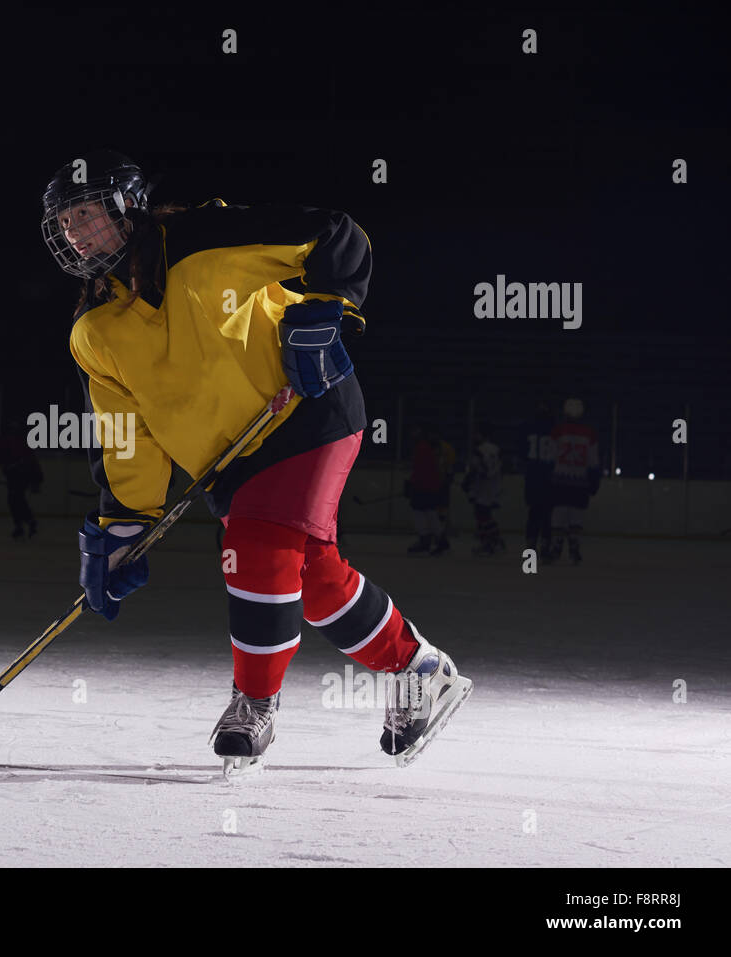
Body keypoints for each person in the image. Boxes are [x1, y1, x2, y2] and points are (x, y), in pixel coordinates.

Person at [42, 150, 472, 773]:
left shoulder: (202, 240)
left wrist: (325, 310)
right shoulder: (93, 331)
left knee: (260, 547)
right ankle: (422, 668)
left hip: (304, 409)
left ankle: (254, 704)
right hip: (232, 461)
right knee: (313, 579)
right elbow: (126, 436)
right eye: (65, 224)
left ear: (127, 207)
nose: (76, 233)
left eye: (86, 214)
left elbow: (334, 233)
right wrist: (122, 526)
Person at [544, 398, 600, 564]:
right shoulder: (590, 433)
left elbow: (550, 457)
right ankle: (574, 548)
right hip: (580, 480)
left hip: (560, 479)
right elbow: (593, 461)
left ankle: (556, 547)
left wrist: (547, 477)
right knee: (576, 515)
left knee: (559, 514)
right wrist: (594, 480)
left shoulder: (558, 431)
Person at [0, 422, 44, 539]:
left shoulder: (13, 442)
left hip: (21, 475)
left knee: (14, 498)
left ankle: (23, 524)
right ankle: (26, 523)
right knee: (16, 499)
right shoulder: (11, 442)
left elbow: (30, 461)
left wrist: (37, 480)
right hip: (15, 476)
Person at [461, 422, 505, 556]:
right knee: (484, 514)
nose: (474, 436)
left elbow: (476, 468)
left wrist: (466, 482)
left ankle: (492, 541)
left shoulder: (479, 450)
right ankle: (490, 541)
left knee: (481, 514)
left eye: (477, 434)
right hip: (494, 485)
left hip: (482, 486)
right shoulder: (496, 449)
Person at [403, 424, 445, 555]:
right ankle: (438, 541)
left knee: (421, 513)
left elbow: (420, 470)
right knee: (429, 513)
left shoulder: (422, 448)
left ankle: (427, 540)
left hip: (423, 487)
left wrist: (412, 483)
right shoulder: (427, 448)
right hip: (429, 486)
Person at [521, 400, 556, 553]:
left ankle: (531, 550)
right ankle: (545, 547)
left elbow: (522, 453)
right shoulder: (554, 430)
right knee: (547, 514)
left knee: (533, 513)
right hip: (549, 476)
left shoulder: (528, 429)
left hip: (533, 475)